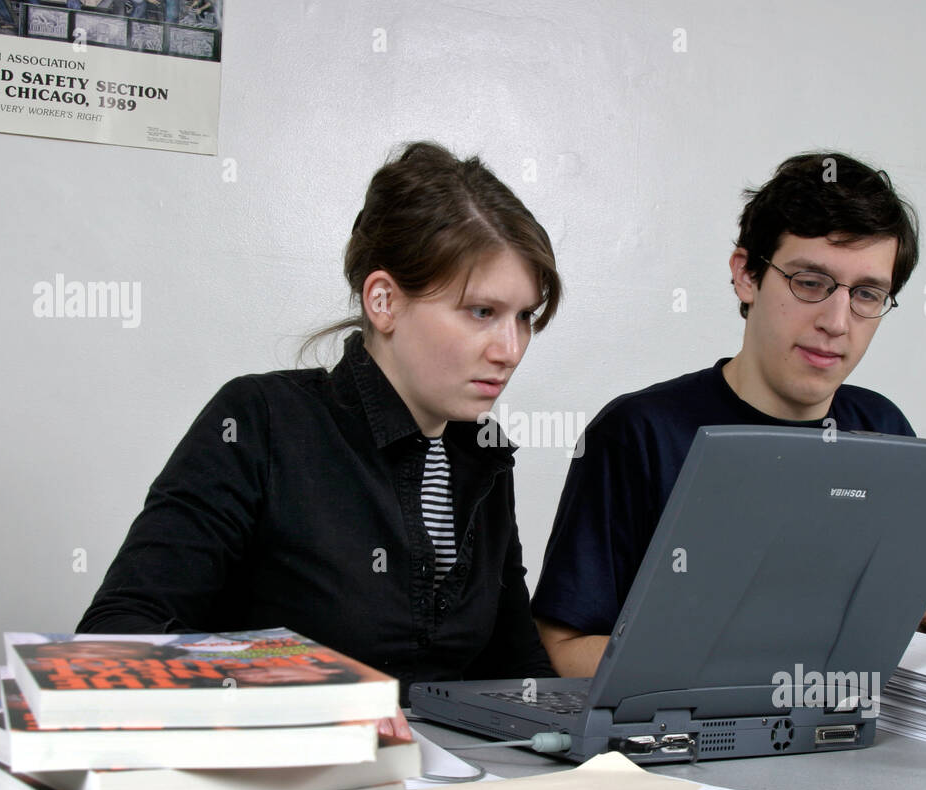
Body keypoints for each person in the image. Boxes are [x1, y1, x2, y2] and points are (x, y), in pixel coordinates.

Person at [78, 142, 563, 738]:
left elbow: (516, 668)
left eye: (524, 318)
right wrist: (307, 692)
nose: (509, 350)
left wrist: (587, 750)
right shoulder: (259, 422)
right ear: (382, 300)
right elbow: (117, 639)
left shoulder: (483, 455)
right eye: (481, 312)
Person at [533, 151, 926, 678]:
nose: (837, 322)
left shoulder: (883, 427)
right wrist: (751, 660)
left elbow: (911, 652)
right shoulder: (637, 434)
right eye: (811, 282)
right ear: (747, 275)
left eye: (867, 294)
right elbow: (561, 652)